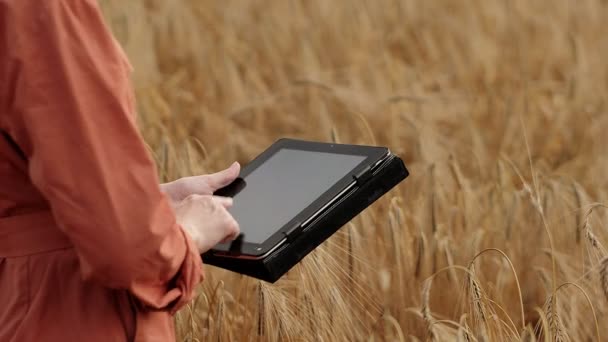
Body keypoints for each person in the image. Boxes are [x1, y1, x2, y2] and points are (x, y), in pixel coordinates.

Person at [0, 0, 240, 340]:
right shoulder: (43, 9)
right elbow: (127, 250)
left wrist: (147, 204)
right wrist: (187, 235)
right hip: (69, 310)